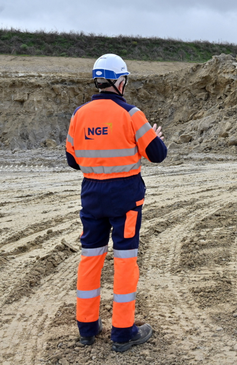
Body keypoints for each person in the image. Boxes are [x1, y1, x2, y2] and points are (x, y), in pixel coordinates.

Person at [65, 53, 168, 352]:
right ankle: (123, 333)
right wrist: (151, 138)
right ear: (120, 81)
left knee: (91, 257)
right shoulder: (132, 114)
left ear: (98, 81)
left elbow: (73, 160)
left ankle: (87, 328)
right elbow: (157, 153)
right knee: (124, 262)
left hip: (92, 195)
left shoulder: (78, 114)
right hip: (125, 197)